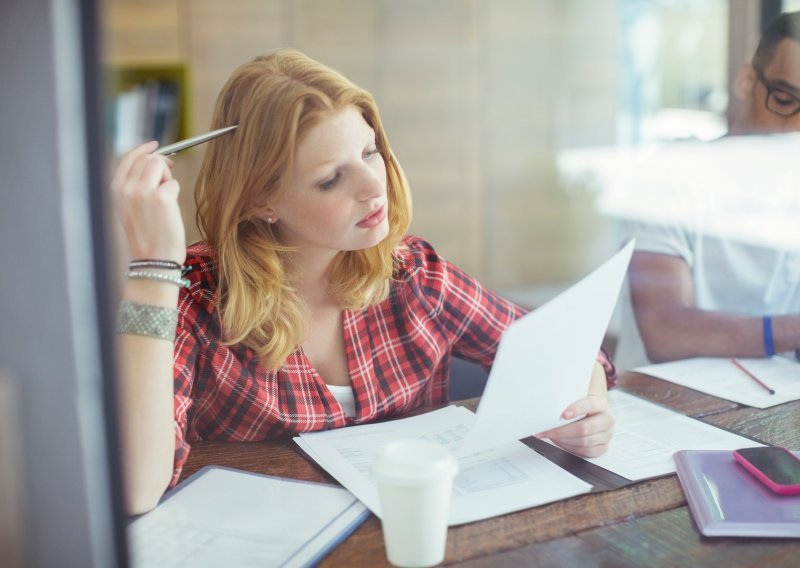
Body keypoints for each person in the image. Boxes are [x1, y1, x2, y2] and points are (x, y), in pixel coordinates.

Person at [111, 49, 617, 515]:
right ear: (260, 201)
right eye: (332, 178)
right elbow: (135, 488)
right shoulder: (194, 299)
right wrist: (153, 269)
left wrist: (585, 411)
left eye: (370, 152)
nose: (375, 187)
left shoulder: (412, 273)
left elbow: (568, 353)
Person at [614, 11, 800, 371]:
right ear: (746, 81)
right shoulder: (673, 172)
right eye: (784, 99)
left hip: (773, 405)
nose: (796, 127)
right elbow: (666, 332)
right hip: (667, 404)